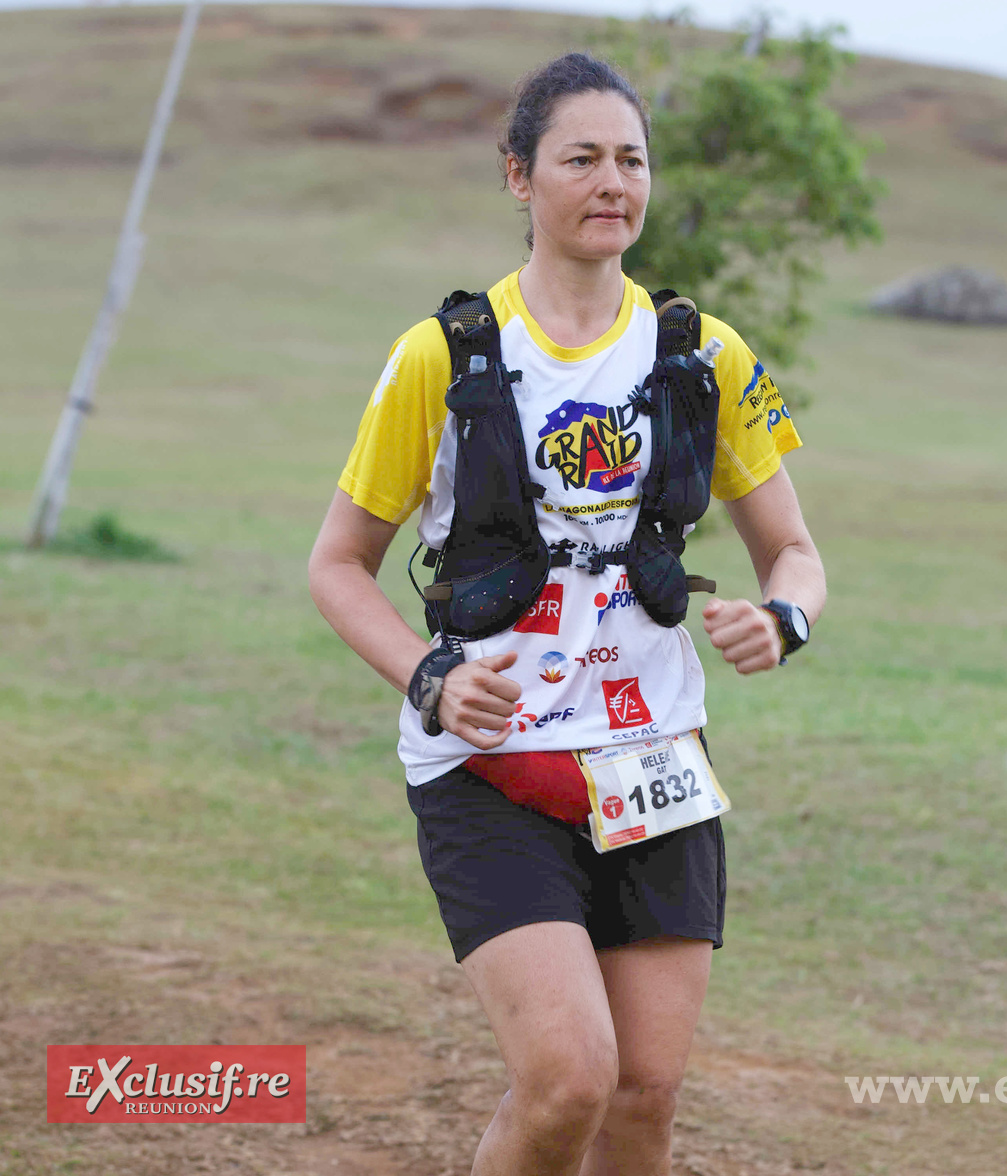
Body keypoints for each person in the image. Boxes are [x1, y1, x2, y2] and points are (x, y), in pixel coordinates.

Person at [308, 51, 824, 1176]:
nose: (612, 183)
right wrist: (431, 676)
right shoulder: (442, 357)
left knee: (643, 1100)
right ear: (518, 176)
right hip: (495, 766)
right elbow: (338, 565)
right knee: (568, 1084)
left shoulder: (703, 353)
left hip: (654, 760)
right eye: (580, 159)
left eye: (630, 160)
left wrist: (783, 619)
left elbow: (793, 552)